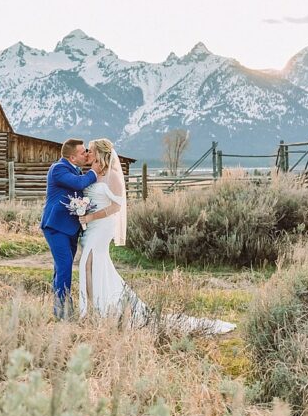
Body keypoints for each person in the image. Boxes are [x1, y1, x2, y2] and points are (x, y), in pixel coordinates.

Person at [77, 138, 235, 334]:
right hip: (91, 226)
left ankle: (92, 311)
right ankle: (94, 309)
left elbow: (117, 206)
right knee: (91, 264)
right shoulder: (92, 174)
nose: (87, 153)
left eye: (90, 150)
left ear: (100, 153)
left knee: (89, 261)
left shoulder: (113, 176)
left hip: (101, 226)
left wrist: (91, 216)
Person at [41, 138, 98, 319]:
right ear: (72, 157)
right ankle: (63, 312)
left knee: (61, 268)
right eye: (83, 152)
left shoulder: (75, 169)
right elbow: (79, 184)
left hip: (70, 229)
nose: (86, 154)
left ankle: (59, 309)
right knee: (65, 267)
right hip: (56, 226)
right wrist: (95, 171)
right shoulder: (58, 169)